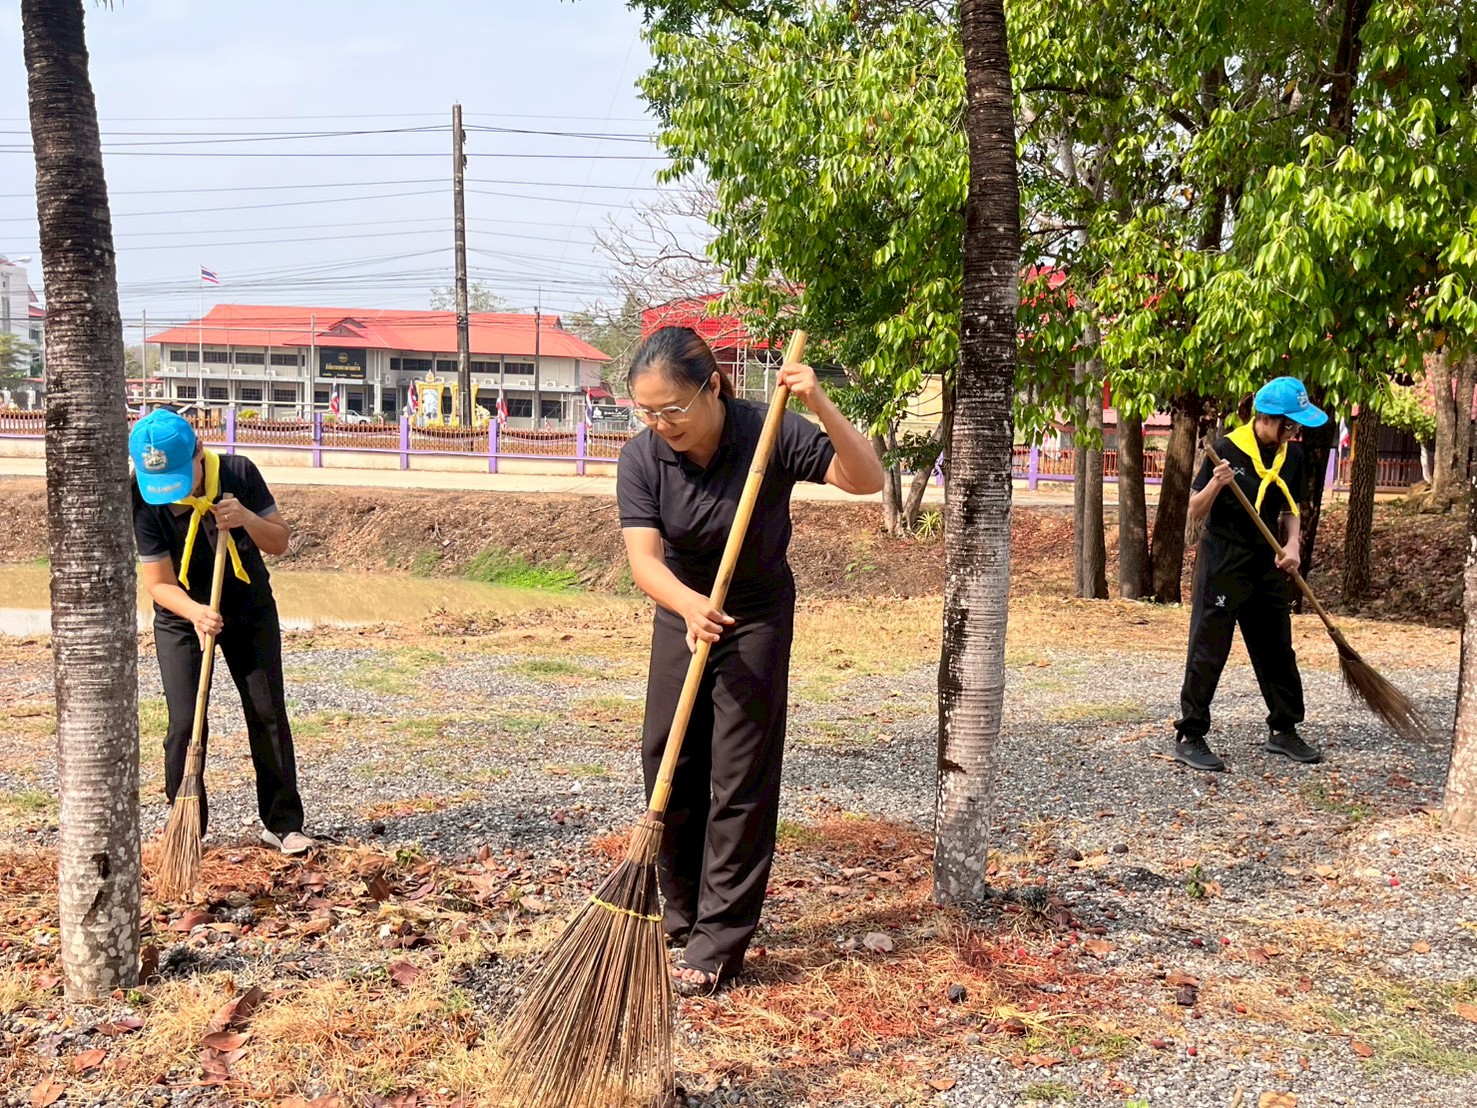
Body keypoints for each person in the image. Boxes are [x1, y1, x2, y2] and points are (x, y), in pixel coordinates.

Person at [616, 327, 885, 994]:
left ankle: (718, 942)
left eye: (672, 410)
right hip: (683, 608)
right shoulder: (643, 457)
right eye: (647, 412)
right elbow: (644, 561)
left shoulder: (769, 431)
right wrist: (688, 606)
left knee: (738, 773)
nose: (661, 425)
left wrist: (818, 401)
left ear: (713, 387)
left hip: (755, 614)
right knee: (668, 758)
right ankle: (680, 913)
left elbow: (866, 479)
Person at [128, 409, 311, 854]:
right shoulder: (141, 494)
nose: (170, 492)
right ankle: (187, 824)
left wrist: (246, 517)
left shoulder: (239, 473)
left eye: (177, 477)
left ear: (199, 452)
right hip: (182, 615)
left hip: (249, 609)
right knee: (184, 721)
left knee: (266, 712)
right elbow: (158, 583)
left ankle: (282, 823)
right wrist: (195, 612)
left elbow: (279, 542)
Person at [1173, 376, 1329, 772]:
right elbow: (1195, 509)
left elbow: (1290, 509)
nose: (1295, 432)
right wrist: (1217, 483)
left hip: (1266, 559)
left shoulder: (1291, 457)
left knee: (1276, 648)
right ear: (1268, 418)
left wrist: (1292, 546)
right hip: (1223, 558)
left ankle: (1284, 729)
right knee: (1209, 648)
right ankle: (1191, 735)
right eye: (1291, 425)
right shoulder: (1226, 449)